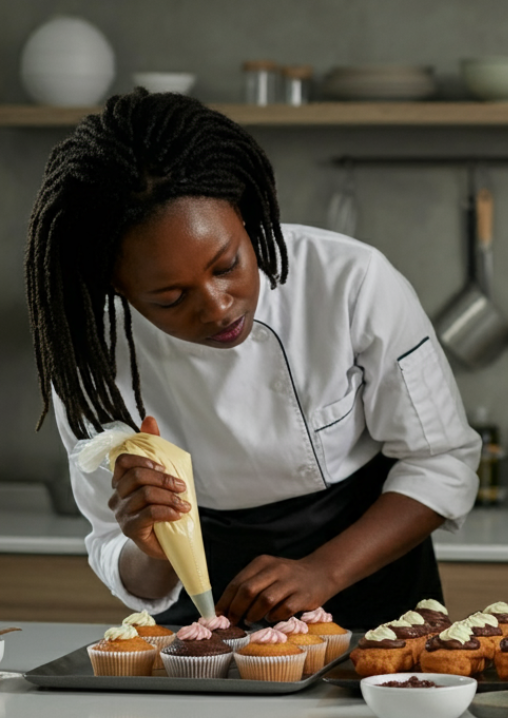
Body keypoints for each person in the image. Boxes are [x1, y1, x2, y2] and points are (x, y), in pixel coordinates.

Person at [26, 89, 480, 628]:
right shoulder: (91, 356)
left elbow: (441, 461)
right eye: (170, 299)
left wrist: (323, 571)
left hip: (372, 595)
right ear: (118, 288)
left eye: (227, 265)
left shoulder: (349, 282)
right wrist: (151, 547)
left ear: (244, 215)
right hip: (204, 618)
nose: (218, 308)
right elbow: (111, 547)